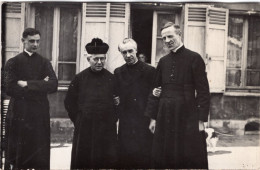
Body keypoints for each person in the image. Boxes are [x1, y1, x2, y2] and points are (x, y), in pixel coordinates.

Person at [145, 22, 210, 168]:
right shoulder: (163, 61)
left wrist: (201, 120)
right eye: (164, 38)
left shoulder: (194, 58)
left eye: (170, 36)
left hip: (187, 115)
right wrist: (153, 118)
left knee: (188, 156)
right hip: (165, 115)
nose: (167, 40)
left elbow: (203, 91)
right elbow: (155, 91)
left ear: (179, 35)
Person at [4, 28, 58, 169]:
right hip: (19, 112)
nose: (35, 44)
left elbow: (53, 85)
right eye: (31, 41)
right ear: (23, 41)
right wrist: (41, 85)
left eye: (38, 41)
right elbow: (8, 88)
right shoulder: (13, 62)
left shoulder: (44, 62)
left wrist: (27, 84)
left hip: (39, 114)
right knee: (18, 155)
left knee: (39, 154)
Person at [64, 38, 119, 169]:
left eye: (102, 58)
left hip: (106, 128)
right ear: (88, 59)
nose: (99, 62)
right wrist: (78, 120)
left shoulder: (112, 78)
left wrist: (112, 118)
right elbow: (69, 102)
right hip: (85, 128)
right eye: (96, 59)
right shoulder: (79, 78)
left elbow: (117, 102)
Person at [114, 38, 155, 168]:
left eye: (130, 51)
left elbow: (153, 97)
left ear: (136, 51)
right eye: (124, 52)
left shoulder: (150, 71)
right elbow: (116, 95)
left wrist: (153, 119)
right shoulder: (118, 72)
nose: (128, 55)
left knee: (144, 157)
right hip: (126, 121)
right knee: (125, 157)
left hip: (144, 120)